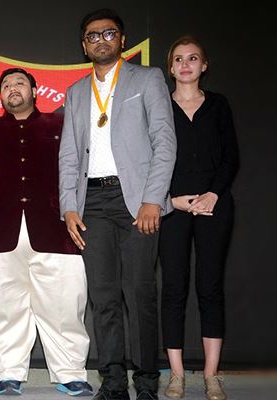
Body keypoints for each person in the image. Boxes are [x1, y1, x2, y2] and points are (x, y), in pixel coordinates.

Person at [58, 9, 177, 400]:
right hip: (91, 202)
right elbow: (69, 154)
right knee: (103, 296)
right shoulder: (76, 92)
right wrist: (69, 206)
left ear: (122, 40)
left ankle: (146, 383)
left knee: (140, 293)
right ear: (84, 46)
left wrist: (152, 199)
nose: (101, 40)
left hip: (136, 201)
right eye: (93, 36)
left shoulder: (148, 79)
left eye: (109, 33)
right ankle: (111, 383)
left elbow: (165, 142)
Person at [0, 68, 93, 397]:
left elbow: (82, 172)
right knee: (2, 308)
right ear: (0, 94)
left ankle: (71, 372)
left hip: (57, 231)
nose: (12, 89)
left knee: (65, 305)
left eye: (19, 83)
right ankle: (9, 373)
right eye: (6, 85)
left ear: (35, 90)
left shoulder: (61, 126)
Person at [159, 35, 239, 400]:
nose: (185, 64)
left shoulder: (218, 105)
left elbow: (231, 157)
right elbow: (149, 160)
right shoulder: (160, 106)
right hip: (173, 208)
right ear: (171, 68)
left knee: (210, 287)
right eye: (178, 59)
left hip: (213, 206)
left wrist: (213, 194)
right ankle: (176, 374)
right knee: (173, 288)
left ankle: (211, 374)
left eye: (193, 58)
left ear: (204, 65)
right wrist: (170, 201)